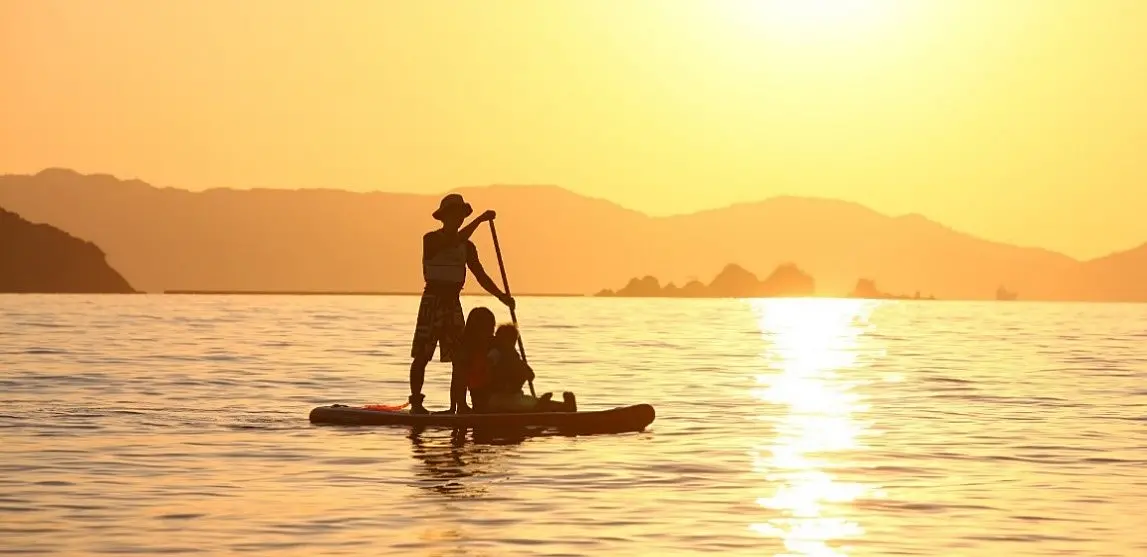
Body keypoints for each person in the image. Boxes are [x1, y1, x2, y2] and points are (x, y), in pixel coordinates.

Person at [409, 194, 515, 414]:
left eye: (460, 215)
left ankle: (458, 406)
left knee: (461, 358)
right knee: (423, 355)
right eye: (453, 214)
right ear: (445, 217)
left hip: (452, 303)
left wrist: (501, 296)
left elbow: (480, 275)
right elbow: (451, 241)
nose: (457, 219)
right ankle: (417, 404)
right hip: (433, 301)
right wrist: (479, 220)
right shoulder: (431, 239)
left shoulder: (467, 246)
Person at [485, 324, 576, 413]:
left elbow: (530, 374)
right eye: (508, 340)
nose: (510, 344)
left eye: (513, 341)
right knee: (526, 404)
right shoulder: (496, 352)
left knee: (531, 402)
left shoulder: (514, 356)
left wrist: (525, 372)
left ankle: (564, 407)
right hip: (499, 398)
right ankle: (539, 408)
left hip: (516, 396)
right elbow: (487, 365)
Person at [457, 307, 497, 413]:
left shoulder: (495, 343)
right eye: (486, 328)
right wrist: (461, 405)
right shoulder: (467, 348)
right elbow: (461, 379)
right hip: (479, 391)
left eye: (492, 327)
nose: (490, 331)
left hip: (498, 390)